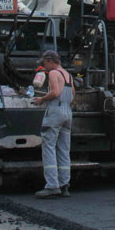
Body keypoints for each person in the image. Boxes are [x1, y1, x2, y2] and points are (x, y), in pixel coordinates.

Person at [33, 50, 75, 198]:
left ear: (50, 61)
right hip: (67, 112)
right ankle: (65, 185)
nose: (44, 66)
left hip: (55, 111)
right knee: (64, 149)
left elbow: (56, 92)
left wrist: (41, 99)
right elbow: (72, 95)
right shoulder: (68, 76)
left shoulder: (53, 74)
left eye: (44, 63)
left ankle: (52, 186)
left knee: (49, 147)